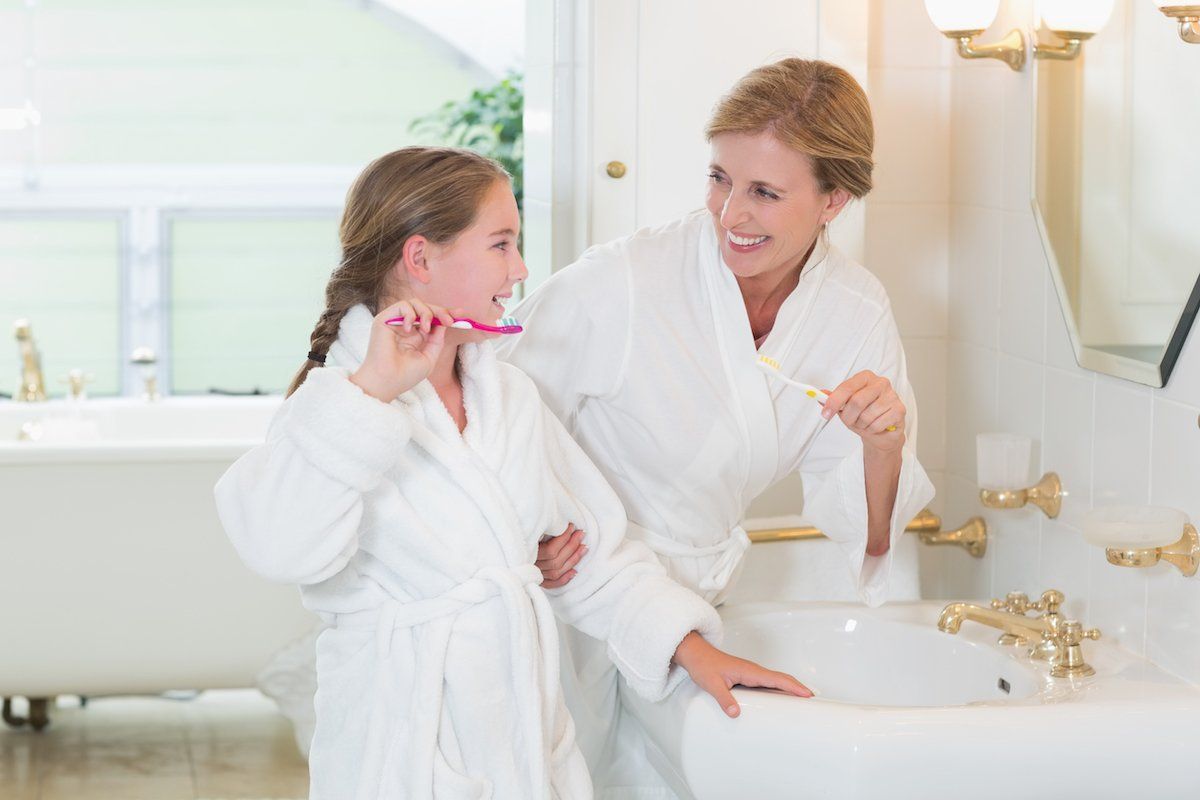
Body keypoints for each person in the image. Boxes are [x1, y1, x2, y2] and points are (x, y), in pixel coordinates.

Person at [214, 146, 809, 799]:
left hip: (520, 743)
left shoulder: (510, 399)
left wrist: (695, 650)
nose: (521, 270)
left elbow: (595, 553)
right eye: (501, 244)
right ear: (421, 258)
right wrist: (374, 390)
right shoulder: (335, 407)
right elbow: (279, 547)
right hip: (405, 749)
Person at [496, 58, 936, 795]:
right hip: (572, 598)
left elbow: (868, 536)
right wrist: (519, 547)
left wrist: (884, 444)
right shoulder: (624, 282)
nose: (731, 213)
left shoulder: (855, 312)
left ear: (835, 197)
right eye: (719, 178)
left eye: (764, 191)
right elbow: (494, 425)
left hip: (696, 611)